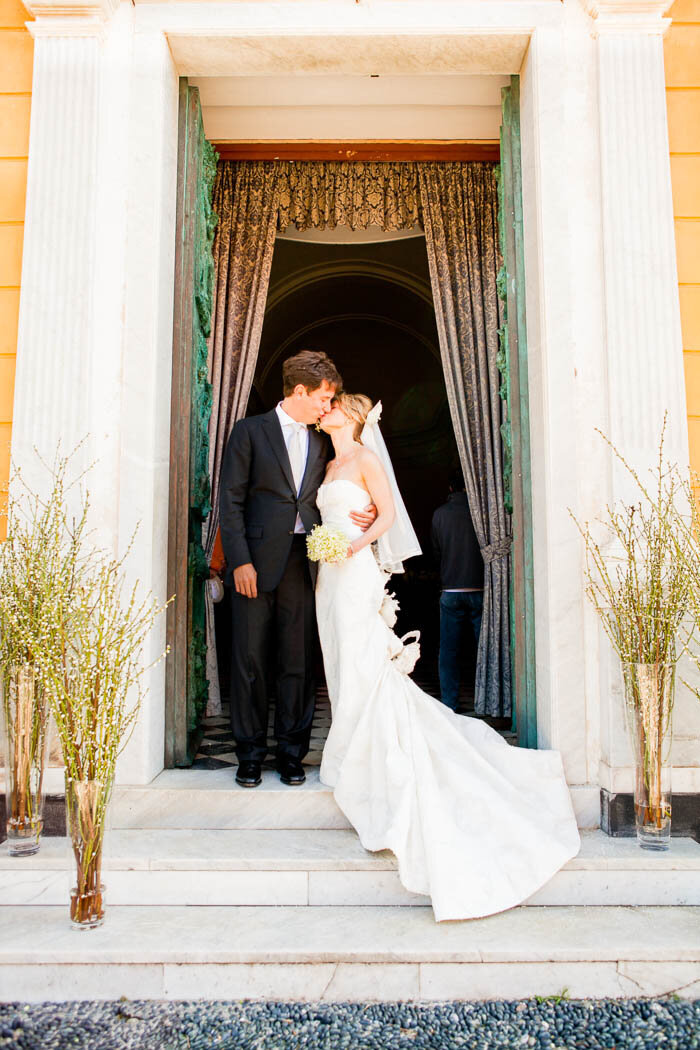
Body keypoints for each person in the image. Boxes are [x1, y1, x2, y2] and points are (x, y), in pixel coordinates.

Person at [315, 392, 580, 921]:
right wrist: (326, 547)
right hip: (328, 574)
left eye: (334, 405)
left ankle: (359, 750)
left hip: (355, 569)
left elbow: (388, 515)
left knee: (366, 658)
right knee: (340, 658)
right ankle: (350, 743)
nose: (326, 410)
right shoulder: (328, 464)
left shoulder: (366, 458)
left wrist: (354, 546)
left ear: (353, 416)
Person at [218, 351, 376, 788]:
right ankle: (249, 755)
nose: (328, 407)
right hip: (252, 561)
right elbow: (229, 501)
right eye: (324, 398)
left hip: (305, 561)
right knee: (249, 659)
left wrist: (369, 510)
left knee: (298, 662)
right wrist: (240, 562)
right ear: (300, 391)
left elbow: (352, 481)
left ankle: (292, 753)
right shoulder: (249, 431)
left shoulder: (326, 440)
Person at [431, 469, 484, 711]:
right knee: (484, 649)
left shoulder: (440, 515)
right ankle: (486, 702)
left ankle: (450, 703)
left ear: (451, 489)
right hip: (480, 588)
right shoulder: (482, 514)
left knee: (448, 651)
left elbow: (436, 552)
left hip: (451, 590)